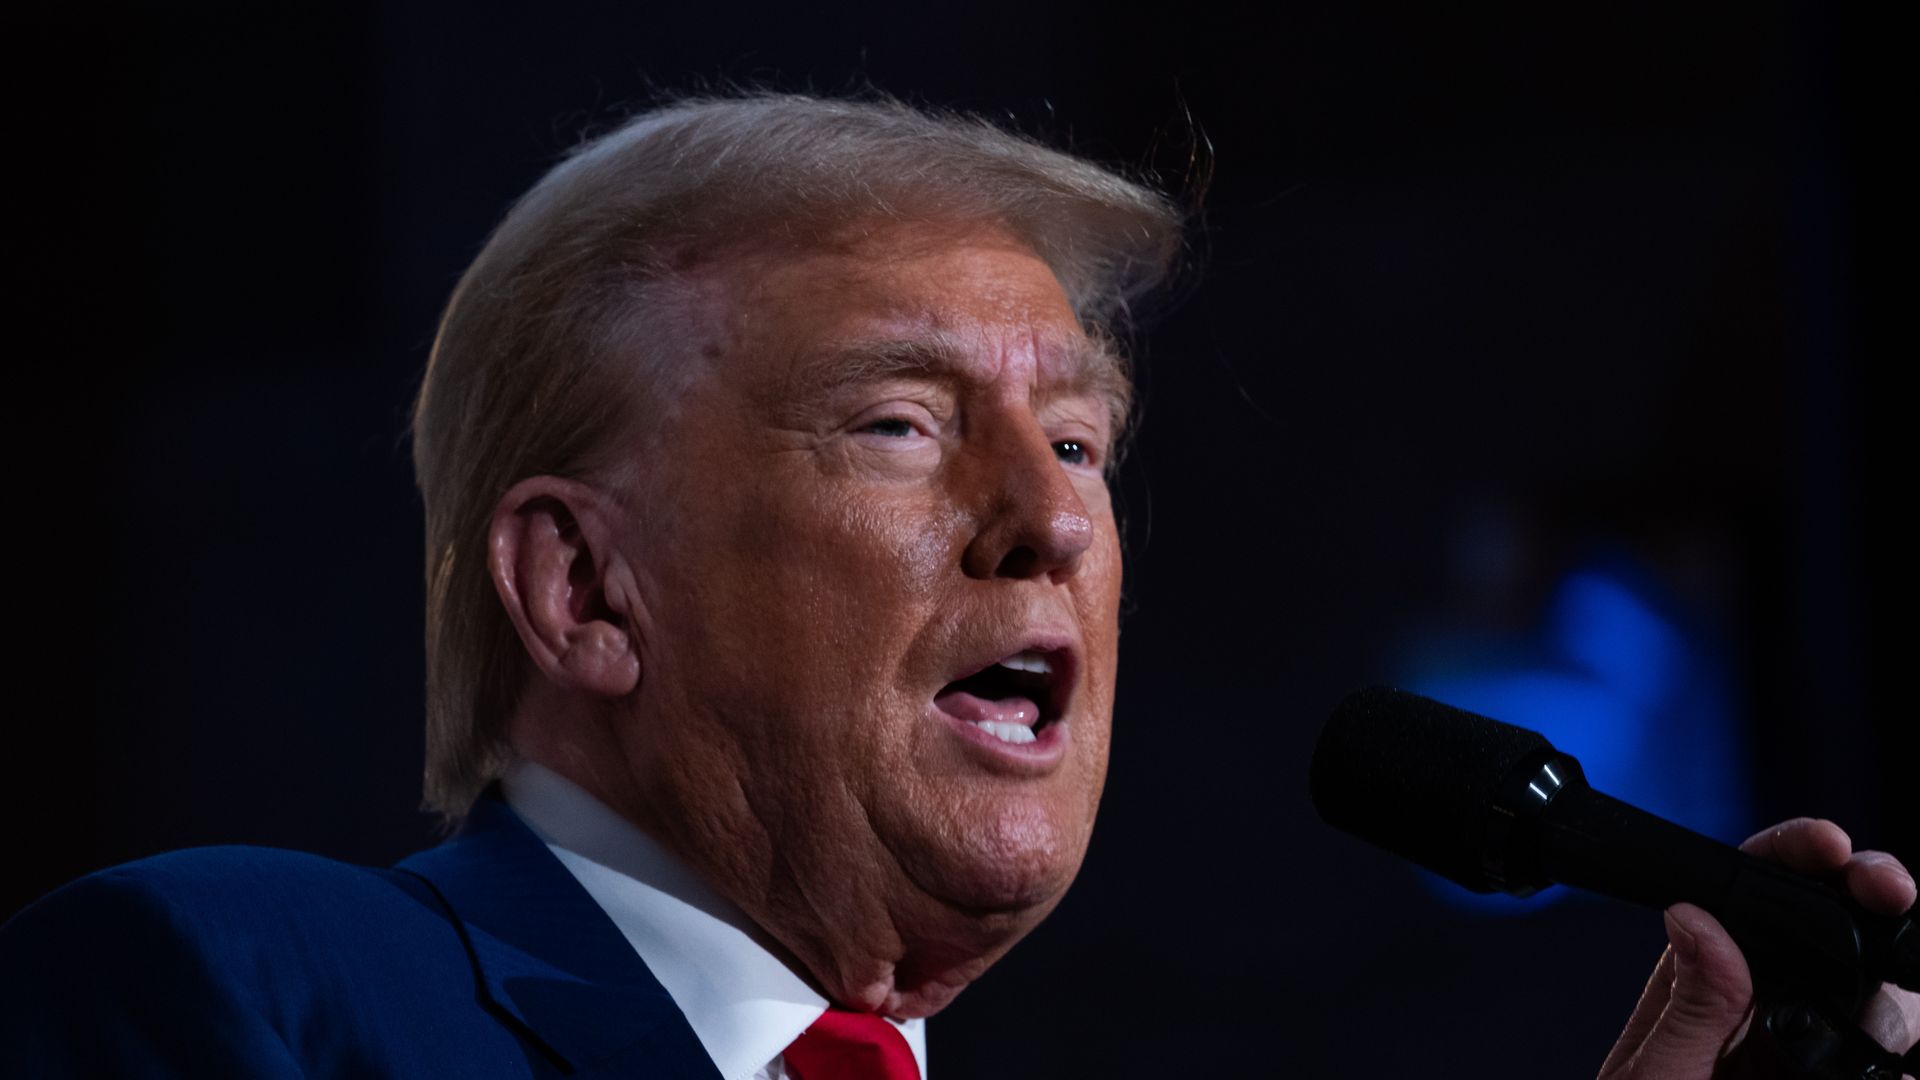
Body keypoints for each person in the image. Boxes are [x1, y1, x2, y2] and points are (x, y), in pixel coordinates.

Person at [2, 93, 1913, 1079]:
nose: (1054, 524)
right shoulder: (244, 992)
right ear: (583, 588)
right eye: (904, 426)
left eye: (1079, 446)